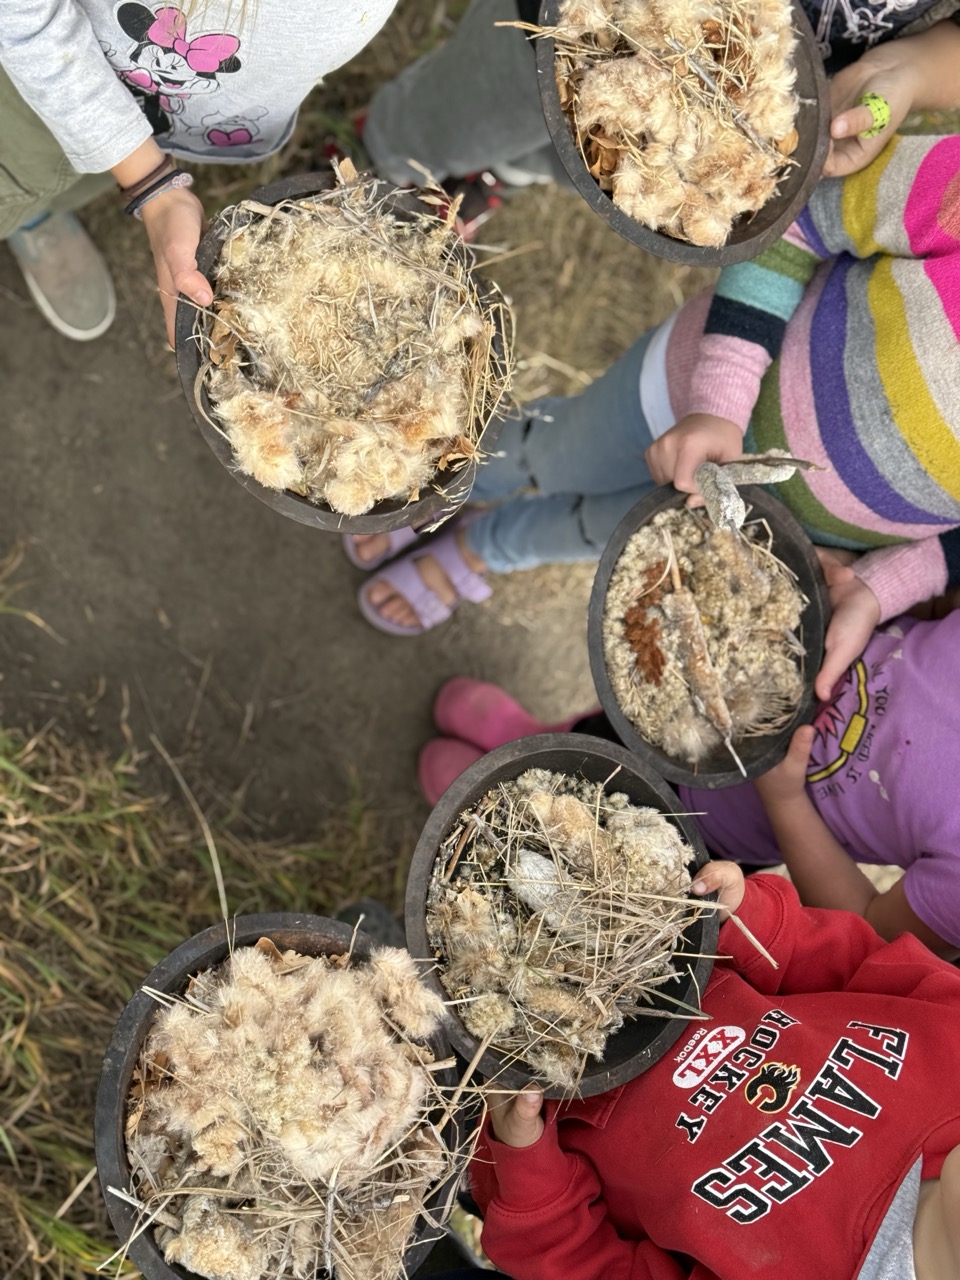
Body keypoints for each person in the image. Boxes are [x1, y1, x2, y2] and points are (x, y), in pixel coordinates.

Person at [352, 132, 960, 707]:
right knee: (557, 453)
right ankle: (460, 483)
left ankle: (484, 549)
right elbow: (799, 219)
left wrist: (885, 585)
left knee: (596, 533)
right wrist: (719, 400)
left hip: (754, 529)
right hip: (682, 393)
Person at [470, 859, 960, 1280]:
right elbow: (855, 963)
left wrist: (525, 1160)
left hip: (520, 1089)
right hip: (639, 948)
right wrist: (749, 922)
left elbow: (588, 1267)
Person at [416, 594, 960, 959]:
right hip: (694, 711)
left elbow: (866, 928)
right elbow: (936, 597)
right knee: (602, 737)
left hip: (712, 818)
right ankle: (535, 737)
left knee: (591, 828)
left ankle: (496, 803)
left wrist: (785, 798)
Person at [0, 0, 398, 341]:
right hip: (37, 86)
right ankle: (28, 217)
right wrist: (147, 181)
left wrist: (143, 171)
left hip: (163, 122)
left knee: (94, 171)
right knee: (21, 179)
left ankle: (49, 208)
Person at [363, 0, 960, 199]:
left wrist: (904, 70)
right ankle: (384, 153)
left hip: (734, 103)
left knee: (595, 160)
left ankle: (504, 173)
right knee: (466, 107)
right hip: (577, 20)